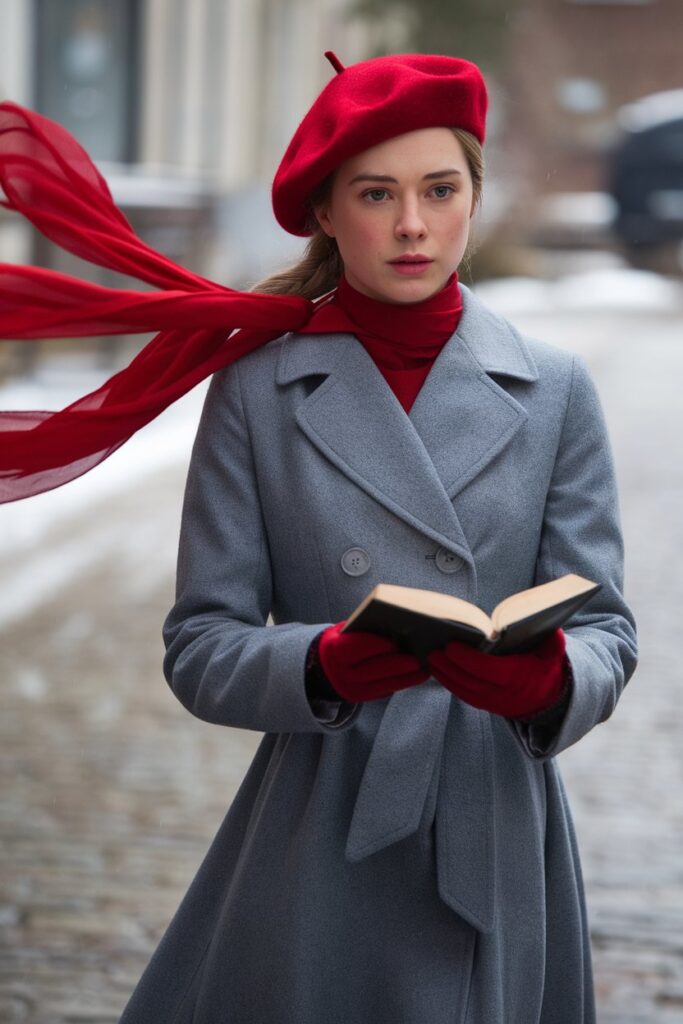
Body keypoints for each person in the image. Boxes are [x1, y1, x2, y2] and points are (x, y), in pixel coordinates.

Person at [0, 53, 636, 1024]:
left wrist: (551, 682)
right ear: (327, 214)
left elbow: (604, 629)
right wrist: (325, 663)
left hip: (495, 818)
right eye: (376, 194)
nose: (413, 225)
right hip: (322, 822)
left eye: (440, 189)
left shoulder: (554, 389)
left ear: (475, 195)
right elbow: (200, 644)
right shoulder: (257, 389)